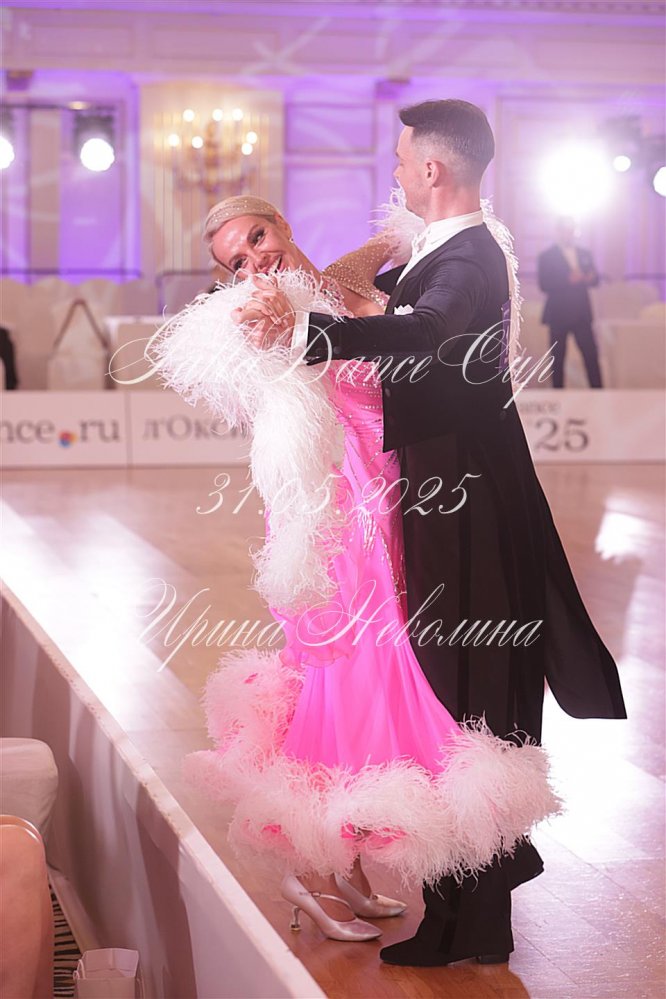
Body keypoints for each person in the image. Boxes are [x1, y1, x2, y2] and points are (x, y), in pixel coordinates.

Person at [243, 100, 626, 968]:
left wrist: (310, 332)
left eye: (400, 158)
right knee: (458, 697)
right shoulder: (443, 250)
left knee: (474, 697)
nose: (395, 171)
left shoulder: (468, 255)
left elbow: (427, 331)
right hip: (448, 495)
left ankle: (475, 914)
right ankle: (465, 913)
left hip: (472, 505)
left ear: (432, 170)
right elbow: (396, 314)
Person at [148, 193, 562, 948]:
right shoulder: (255, 316)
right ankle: (311, 867)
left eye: (259, 236)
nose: (255, 260)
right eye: (236, 261)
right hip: (338, 514)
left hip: (400, 497)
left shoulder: (342, 279)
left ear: (282, 223)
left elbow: (403, 258)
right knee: (348, 678)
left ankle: (347, 867)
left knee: (390, 669)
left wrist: (409, 238)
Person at [538, 217, 603, 388]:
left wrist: (589, 278)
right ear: (558, 232)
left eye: (571, 230)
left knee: (591, 356)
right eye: (565, 230)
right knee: (558, 358)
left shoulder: (584, 253)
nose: (568, 233)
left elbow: (596, 279)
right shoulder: (547, 256)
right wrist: (568, 280)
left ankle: (599, 393)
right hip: (558, 314)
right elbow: (544, 284)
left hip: (581, 313)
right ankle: (558, 395)